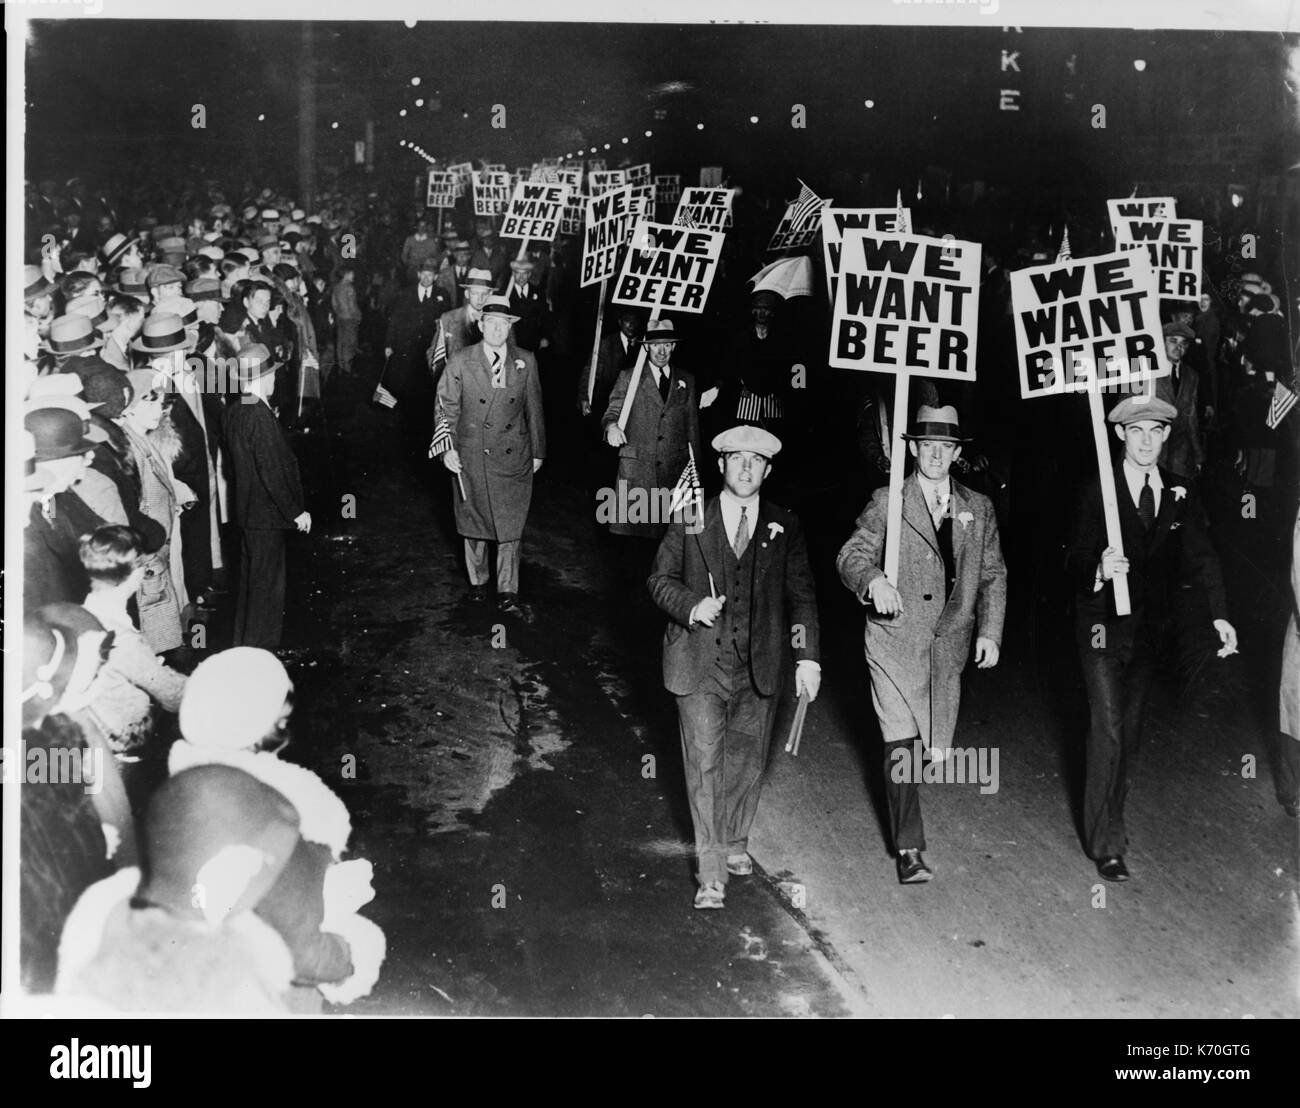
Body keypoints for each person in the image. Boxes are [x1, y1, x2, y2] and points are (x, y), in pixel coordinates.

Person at [648, 425, 821, 909]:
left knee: (746, 761)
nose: (746, 468)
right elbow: (658, 580)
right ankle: (711, 872)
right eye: (737, 459)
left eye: (756, 461)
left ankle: (736, 840)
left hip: (758, 665)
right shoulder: (689, 517)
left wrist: (807, 656)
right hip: (698, 662)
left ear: (767, 470)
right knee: (704, 764)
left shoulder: (784, 526)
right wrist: (691, 606)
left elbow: (801, 596)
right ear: (720, 464)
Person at [1066, 395, 1238, 881]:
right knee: (1110, 728)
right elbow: (1070, 555)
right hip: (1101, 625)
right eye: (1136, 431)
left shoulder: (1182, 491)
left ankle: (1113, 819)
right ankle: (1107, 843)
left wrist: (1219, 617)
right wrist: (1097, 568)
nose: (1146, 441)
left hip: (1149, 632)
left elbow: (1202, 558)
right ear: (1120, 435)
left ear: (1166, 437)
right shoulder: (1096, 488)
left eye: (1155, 431)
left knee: (1132, 735)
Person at [836, 404, 1007, 884]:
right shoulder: (888, 499)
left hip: (946, 647)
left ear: (956, 453)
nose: (935, 455)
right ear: (911, 448)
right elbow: (851, 554)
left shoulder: (979, 507)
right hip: (892, 640)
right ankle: (909, 847)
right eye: (926, 445)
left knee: (931, 745)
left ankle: (908, 833)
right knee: (899, 742)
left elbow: (993, 574)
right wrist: (872, 581)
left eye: (945, 447)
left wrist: (990, 631)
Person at [435, 296, 545, 614]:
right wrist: (447, 450)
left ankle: (508, 589)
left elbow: (533, 409)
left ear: (509, 328)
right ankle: (478, 582)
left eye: (504, 324)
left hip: (514, 455)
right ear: (480, 325)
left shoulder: (526, 361)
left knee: (511, 526)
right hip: (471, 455)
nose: (497, 330)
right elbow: (446, 408)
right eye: (491, 323)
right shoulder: (460, 360)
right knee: (474, 524)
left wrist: (538, 452)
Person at [222, 343, 311, 650]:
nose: (275, 380)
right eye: (272, 374)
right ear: (263, 379)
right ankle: (261, 653)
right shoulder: (259, 415)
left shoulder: (234, 410)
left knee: (250, 585)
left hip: (247, 513)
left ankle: (243, 645)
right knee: (267, 590)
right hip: (267, 515)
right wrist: (295, 512)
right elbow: (271, 469)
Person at [78, 526, 188, 762]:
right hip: (124, 739)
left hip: (94, 725)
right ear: (135, 573)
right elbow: (172, 695)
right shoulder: (121, 638)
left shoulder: (81, 613)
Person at [601, 318, 701, 568]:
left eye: (667, 345)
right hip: (638, 474)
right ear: (646, 347)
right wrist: (611, 427)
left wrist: (696, 473)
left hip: (674, 474)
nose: (662, 351)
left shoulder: (686, 380)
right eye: (656, 345)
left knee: (671, 548)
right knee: (635, 551)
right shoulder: (629, 377)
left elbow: (692, 428)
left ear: (674, 347)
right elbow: (611, 412)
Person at [1152, 321, 1203, 478]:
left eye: (1184, 343)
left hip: (1179, 456)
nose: (1178, 347)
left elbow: (1191, 418)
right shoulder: (1145, 370)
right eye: (1173, 341)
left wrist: (1198, 455)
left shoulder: (1192, 376)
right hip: (1149, 452)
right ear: (1162, 342)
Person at [331, 263, 362, 375]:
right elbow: (352, 305)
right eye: (352, 273)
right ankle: (348, 369)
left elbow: (334, 303)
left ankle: (341, 366)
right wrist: (358, 315)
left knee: (341, 342)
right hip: (350, 319)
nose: (353, 276)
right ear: (347, 274)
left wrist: (338, 313)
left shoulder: (336, 286)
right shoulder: (349, 287)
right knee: (350, 343)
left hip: (340, 317)